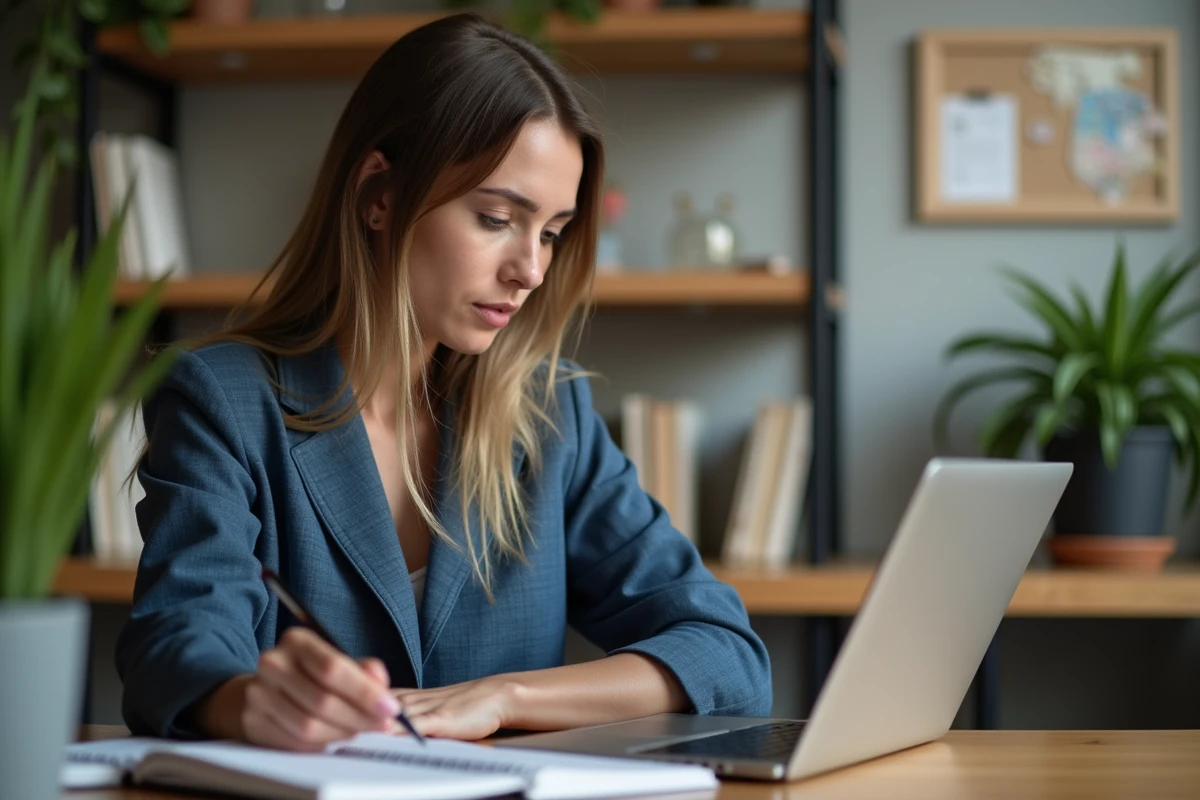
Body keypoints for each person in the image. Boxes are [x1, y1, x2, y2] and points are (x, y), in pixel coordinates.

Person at [116, 12, 771, 751]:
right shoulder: (222, 398)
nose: (530, 270)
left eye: (552, 232)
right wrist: (249, 701)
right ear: (379, 196)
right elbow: (175, 652)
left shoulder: (549, 412)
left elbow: (727, 653)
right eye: (497, 218)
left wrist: (504, 698)